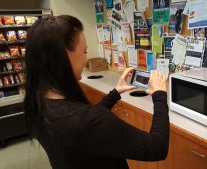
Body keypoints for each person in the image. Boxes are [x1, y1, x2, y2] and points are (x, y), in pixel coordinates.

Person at [24, 15, 169, 169]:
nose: (86, 60)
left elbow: (86, 130)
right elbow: (156, 147)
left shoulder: (36, 103)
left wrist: (115, 93)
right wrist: (159, 95)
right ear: (63, 55)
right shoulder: (86, 121)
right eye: (85, 51)